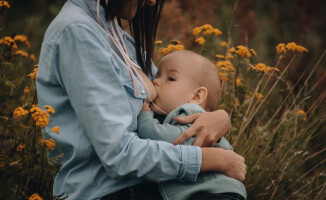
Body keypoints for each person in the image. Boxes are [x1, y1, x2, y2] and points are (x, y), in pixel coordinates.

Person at [36, 0, 246, 199]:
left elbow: (172, 99)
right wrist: (212, 160)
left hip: (148, 186)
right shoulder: (78, 33)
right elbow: (119, 155)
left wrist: (219, 116)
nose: (152, 2)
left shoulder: (117, 37)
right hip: (108, 192)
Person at [137, 50, 247, 200]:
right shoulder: (172, 116)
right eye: (157, 76)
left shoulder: (190, 115)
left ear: (196, 96)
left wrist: (144, 114)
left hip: (215, 194)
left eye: (170, 78)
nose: (156, 82)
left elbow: (157, 136)